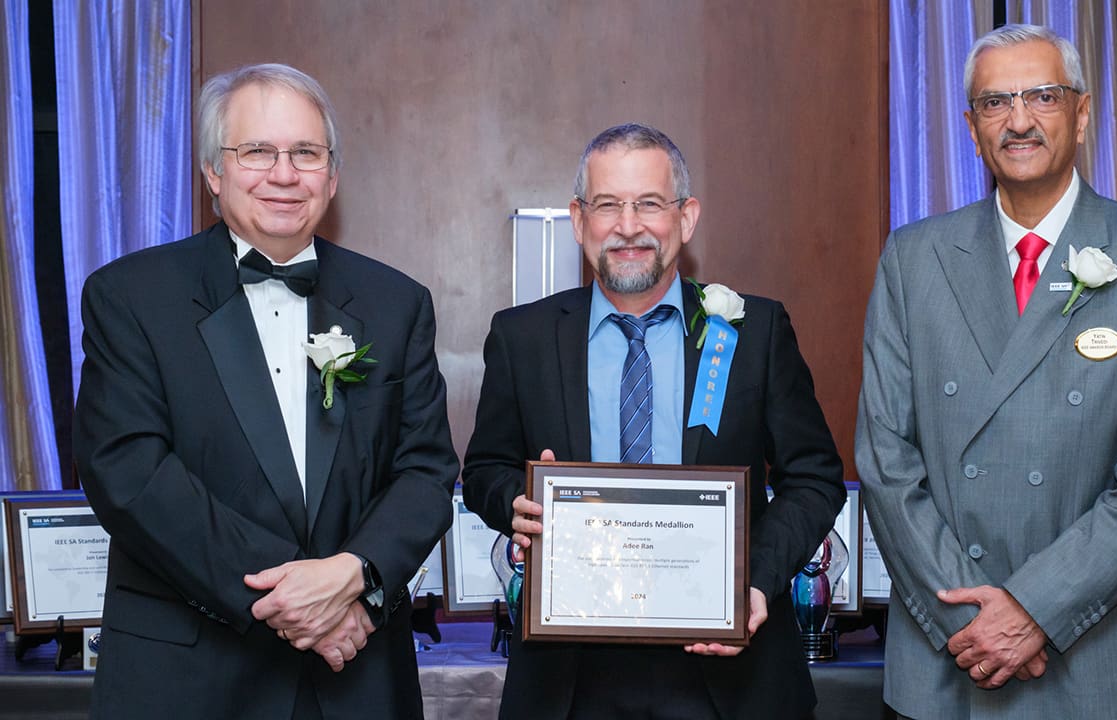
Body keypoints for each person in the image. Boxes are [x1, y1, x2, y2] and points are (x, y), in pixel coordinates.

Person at [73, 63, 458, 719]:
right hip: (190, 679)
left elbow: (426, 471)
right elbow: (130, 474)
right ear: (213, 173)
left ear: (332, 177)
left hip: (355, 683)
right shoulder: (131, 297)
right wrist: (305, 599)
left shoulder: (397, 304)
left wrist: (358, 575)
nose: (284, 174)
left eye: (306, 153)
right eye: (257, 151)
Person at [855, 24, 1117, 719]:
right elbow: (885, 459)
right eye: (995, 103)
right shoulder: (914, 258)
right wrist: (973, 621)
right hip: (951, 652)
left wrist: (1036, 609)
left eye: (1041, 96)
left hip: (1105, 653)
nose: (1018, 120)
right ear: (970, 126)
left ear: (1081, 114)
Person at [462, 123, 846, 719]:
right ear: (578, 219)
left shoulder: (754, 331)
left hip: (731, 672)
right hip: (569, 679)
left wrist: (755, 581)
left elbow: (815, 476)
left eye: (649, 203)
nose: (628, 225)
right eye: (607, 204)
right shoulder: (522, 338)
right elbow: (484, 467)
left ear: (686, 218)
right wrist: (517, 500)